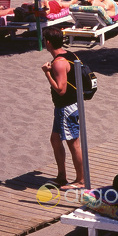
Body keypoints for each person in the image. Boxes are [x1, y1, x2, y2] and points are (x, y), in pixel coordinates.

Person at [41, 27, 84, 190]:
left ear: (48, 42)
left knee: (74, 143)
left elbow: (61, 90)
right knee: (55, 139)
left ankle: (81, 180)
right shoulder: (70, 54)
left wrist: (47, 73)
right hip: (66, 107)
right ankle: (61, 177)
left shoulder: (59, 62)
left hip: (67, 107)